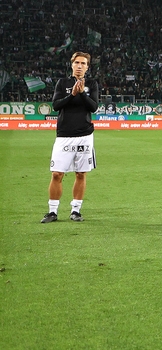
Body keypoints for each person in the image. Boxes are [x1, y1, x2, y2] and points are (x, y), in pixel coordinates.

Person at [42, 52, 99, 223]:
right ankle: (52, 211)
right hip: (64, 135)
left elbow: (94, 107)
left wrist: (82, 93)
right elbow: (56, 105)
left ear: (87, 67)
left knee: (81, 174)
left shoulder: (92, 84)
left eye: (83, 63)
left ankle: (76, 210)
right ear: (71, 65)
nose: (80, 66)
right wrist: (73, 94)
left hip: (85, 135)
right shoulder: (62, 83)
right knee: (57, 174)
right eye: (77, 63)